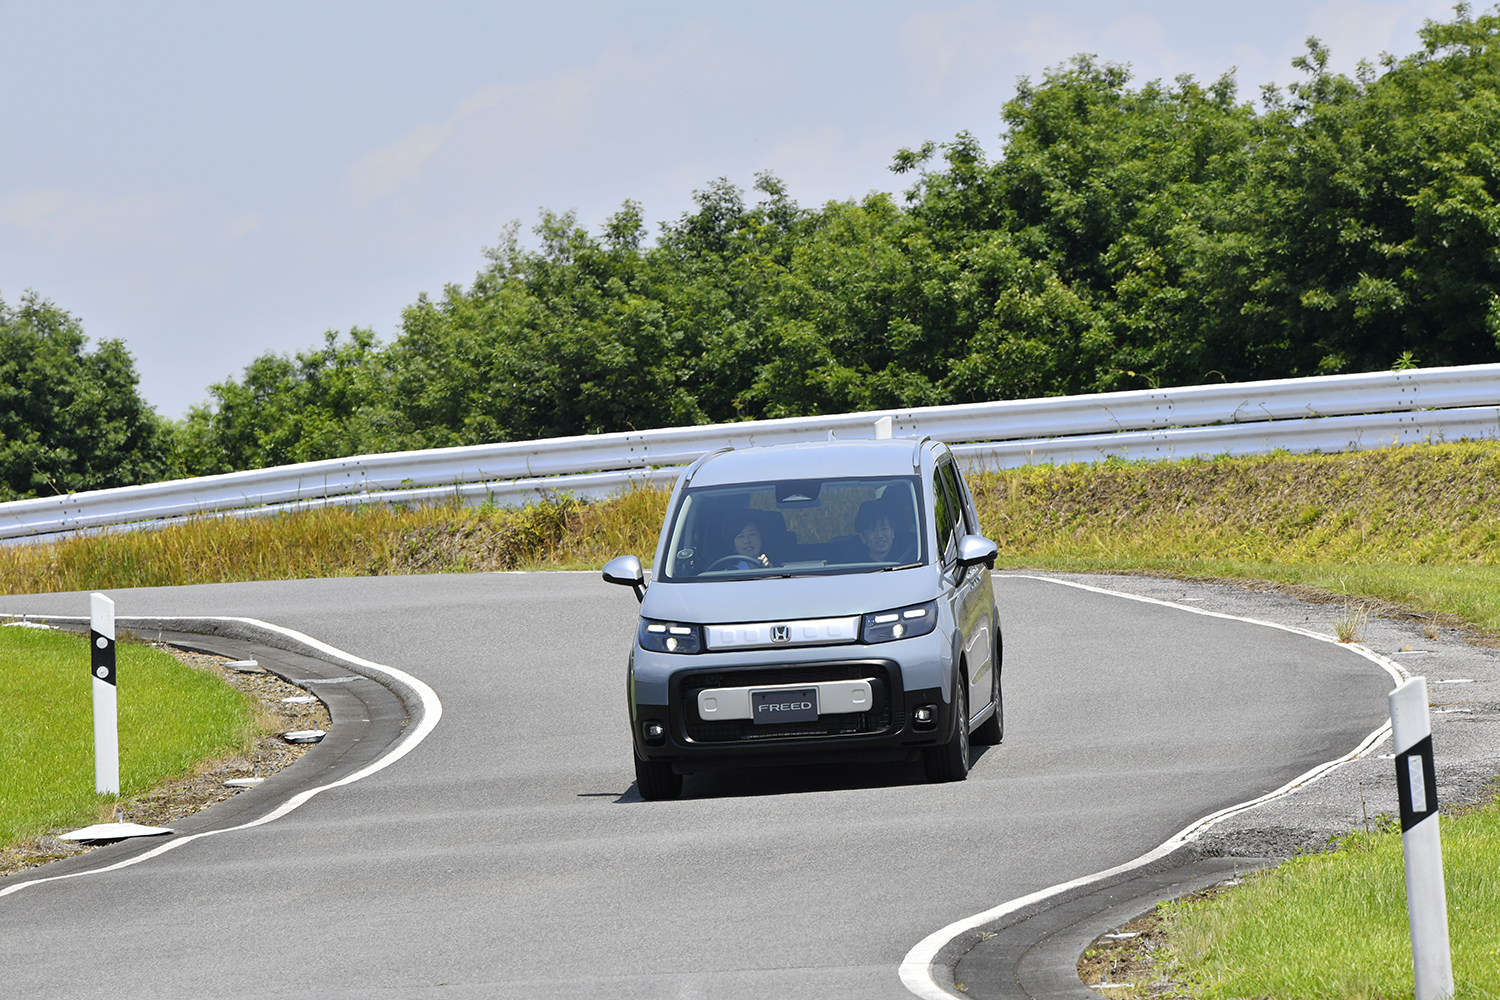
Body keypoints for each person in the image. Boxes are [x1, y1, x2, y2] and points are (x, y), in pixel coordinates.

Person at [854, 498, 914, 563]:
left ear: (892, 532)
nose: (880, 535)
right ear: (862, 537)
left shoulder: (911, 558)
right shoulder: (854, 564)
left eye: (884, 529)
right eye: (873, 530)